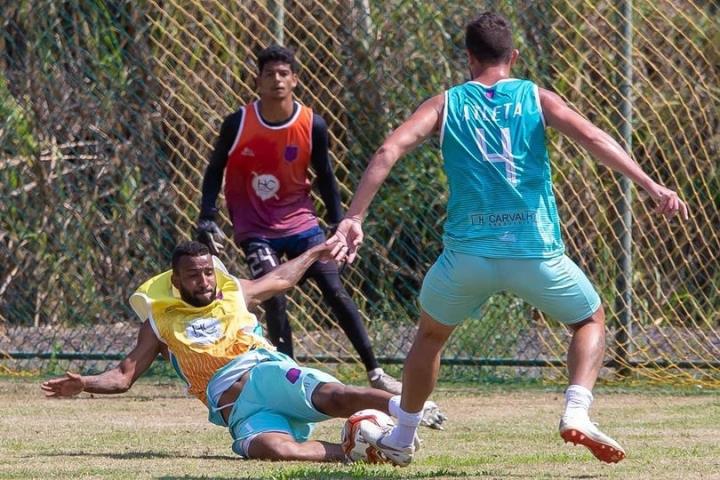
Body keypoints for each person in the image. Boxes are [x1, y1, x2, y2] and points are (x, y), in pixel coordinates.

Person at [328, 11, 688, 466]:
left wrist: (354, 217)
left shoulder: (446, 103)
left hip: (466, 258)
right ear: (513, 56)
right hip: (535, 254)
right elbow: (593, 137)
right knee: (589, 319)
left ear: (468, 58)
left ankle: (402, 436)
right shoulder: (536, 97)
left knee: (431, 337)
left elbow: (388, 149)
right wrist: (651, 185)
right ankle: (576, 410)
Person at [40, 241, 445, 462]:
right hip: (239, 409)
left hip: (265, 371)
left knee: (335, 396)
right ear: (176, 282)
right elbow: (124, 376)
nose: (204, 280)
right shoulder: (159, 321)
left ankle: (406, 409)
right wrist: (85, 383)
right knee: (272, 451)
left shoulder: (234, 292)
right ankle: (361, 452)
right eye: (193, 275)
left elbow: (281, 280)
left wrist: (315, 253)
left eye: (207, 271)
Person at [196, 45, 401, 394]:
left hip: (301, 223)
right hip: (256, 228)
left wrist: (340, 226)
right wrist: (207, 217)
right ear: (257, 82)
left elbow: (325, 176)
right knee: (273, 295)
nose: (276, 80)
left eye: (283, 73)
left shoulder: (311, 124)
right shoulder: (237, 123)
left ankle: (376, 371)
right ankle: (286, 375)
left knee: (334, 288)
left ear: (295, 80)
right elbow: (215, 170)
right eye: (269, 74)